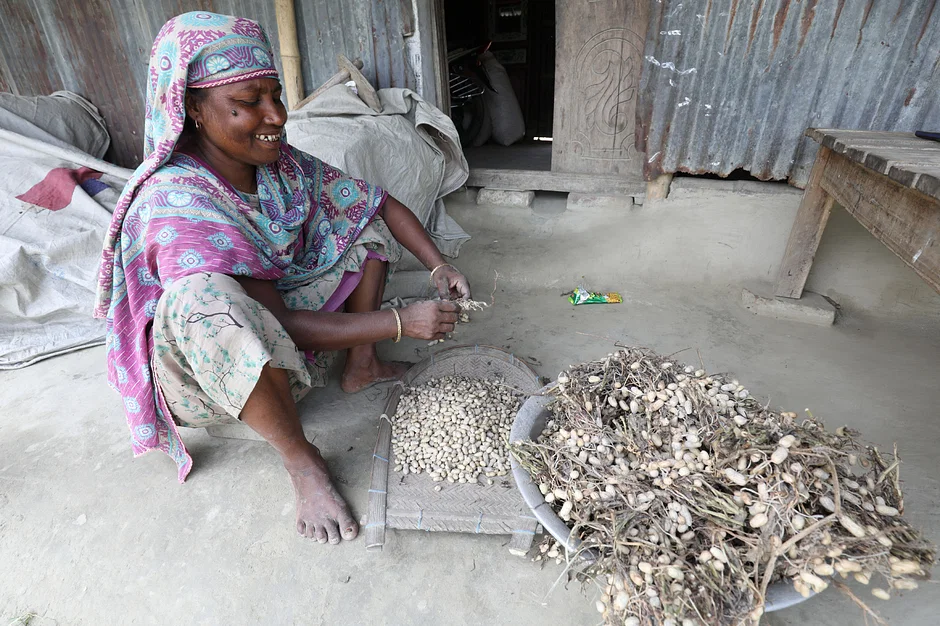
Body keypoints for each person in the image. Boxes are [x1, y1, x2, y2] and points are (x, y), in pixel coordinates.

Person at [94, 12, 471, 545]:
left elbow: (378, 203)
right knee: (204, 299)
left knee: (359, 223)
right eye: (248, 103)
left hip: (267, 317)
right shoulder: (175, 204)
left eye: (276, 95)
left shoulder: (280, 165)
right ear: (194, 109)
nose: (275, 116)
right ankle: (301, 460)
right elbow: (271, 323)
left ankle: (359, 367)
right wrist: (397, 322)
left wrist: (438, 263)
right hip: (206, 371)